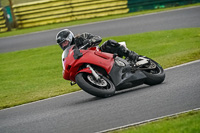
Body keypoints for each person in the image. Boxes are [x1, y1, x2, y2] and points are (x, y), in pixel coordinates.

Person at [56, 29, 138, 62]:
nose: (64, 45)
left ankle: (130, 54)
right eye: (62, 44)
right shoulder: (69, 53)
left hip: (99, 54)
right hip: (89, 62)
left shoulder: (81, 37)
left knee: (109, 43)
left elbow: (97, 38)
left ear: (70, 38)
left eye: (65, 42)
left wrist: (90, 41)